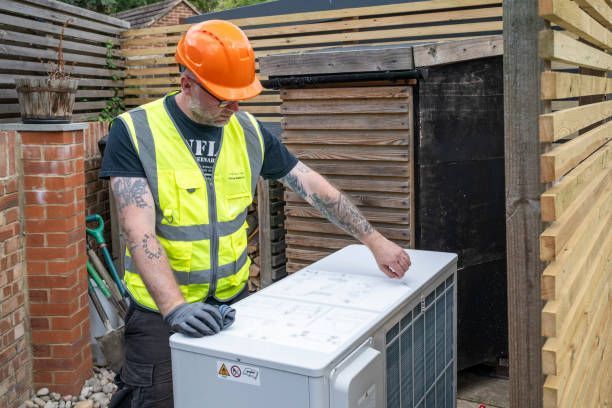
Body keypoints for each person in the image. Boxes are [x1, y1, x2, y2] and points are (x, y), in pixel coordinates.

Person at [101, 19, 411, 408]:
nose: (234, 106)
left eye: (240, 97)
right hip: (159, 316)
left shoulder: (247, 131)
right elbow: (138, 230)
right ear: (187, 85)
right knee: (157, 401)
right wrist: (175, 307)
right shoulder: (134, 131)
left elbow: (311, 184)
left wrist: (375, 241)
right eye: (222, 97)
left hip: (235, 305)